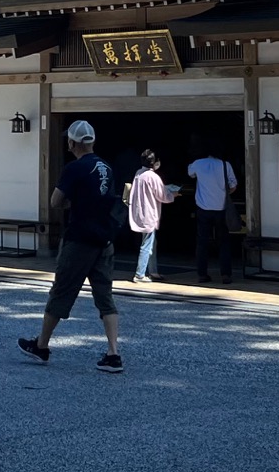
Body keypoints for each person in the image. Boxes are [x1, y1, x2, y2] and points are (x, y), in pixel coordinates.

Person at [18, 120, 124, 373]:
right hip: (104, 240)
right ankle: (113, 353)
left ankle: (42, 345)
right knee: (105, 297)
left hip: (79, 239)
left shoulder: (74, 168)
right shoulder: (107, 168)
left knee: (62, 291)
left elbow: (56, 201)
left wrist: (72, 203)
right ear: (93, 141)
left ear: (72, 143)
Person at [188, 145, 239, 284]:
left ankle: (202, 274)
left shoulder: (198, 163)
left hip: (203, 207)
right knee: (223, 242)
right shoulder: (225, 164)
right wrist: (223, 193)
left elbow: (190, 173)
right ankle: (225, 274)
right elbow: (233, 185)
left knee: (202, 242)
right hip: (221, 208)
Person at [126, 149, 177, 282]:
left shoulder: (139, 173)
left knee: (151, 243)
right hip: (150, 213)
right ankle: (140, 274)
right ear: (155, 162)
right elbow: (162, 196)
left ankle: (153, 271)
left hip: (140, 212)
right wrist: (173, 195)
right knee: (147, 244)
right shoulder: (153, 177)